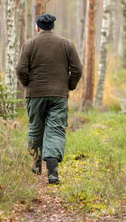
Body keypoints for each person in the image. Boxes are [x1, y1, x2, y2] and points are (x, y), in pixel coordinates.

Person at [16, 14, 82, 184]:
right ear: (52, 27)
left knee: (36, 128)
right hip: (58, 95)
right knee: (56, 130)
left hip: (35, 95)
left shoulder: (29, 44)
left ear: (37, 28)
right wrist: (70, 85)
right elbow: (77, 69)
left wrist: (27, 84)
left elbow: (21, 69)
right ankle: (52, 172)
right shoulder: (67, 44)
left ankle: (36, 165)